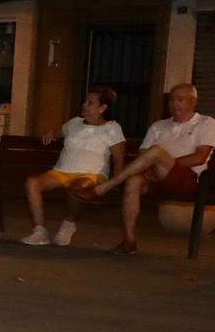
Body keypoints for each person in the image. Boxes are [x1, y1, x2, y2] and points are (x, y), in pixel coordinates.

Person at [88, 83, 215, 255]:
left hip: (189, 180)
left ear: (193, 102)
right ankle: (129, 240)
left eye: (180, 100)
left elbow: (200, 157)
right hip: (156, 178)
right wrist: (154, 167)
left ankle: (108, 185)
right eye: (171, 100)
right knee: (133, 182)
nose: (174, 104)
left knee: (156, 152)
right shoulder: (158, 126)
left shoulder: (206, 123)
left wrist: (163, 162)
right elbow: (143, 155)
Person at [21, 87, 125, 247]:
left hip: (92, 175)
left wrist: (115, 183)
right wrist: (50, 134)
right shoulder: (74, 123)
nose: (84, 105)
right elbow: (56, 133)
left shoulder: (112, 128)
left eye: (90, 103)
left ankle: (69, 223)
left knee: (78, 186)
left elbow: (118, 158)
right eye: (85, 101)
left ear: (102, 108)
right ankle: (40, 230)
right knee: (32, 183)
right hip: (62, 171)